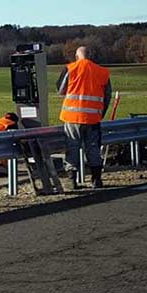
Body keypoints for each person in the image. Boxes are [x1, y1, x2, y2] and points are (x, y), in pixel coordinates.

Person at [56, 46, 112, 189]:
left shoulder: (70, 68)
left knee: (72, 148)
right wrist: (100, 113)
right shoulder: (102, 72)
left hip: (72, 117)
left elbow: (60, 89)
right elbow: (107, 96)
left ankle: (72, 181)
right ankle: (96, 179)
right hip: (93, 118)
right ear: (91, 56)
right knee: (93, 149)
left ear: (76, 56)